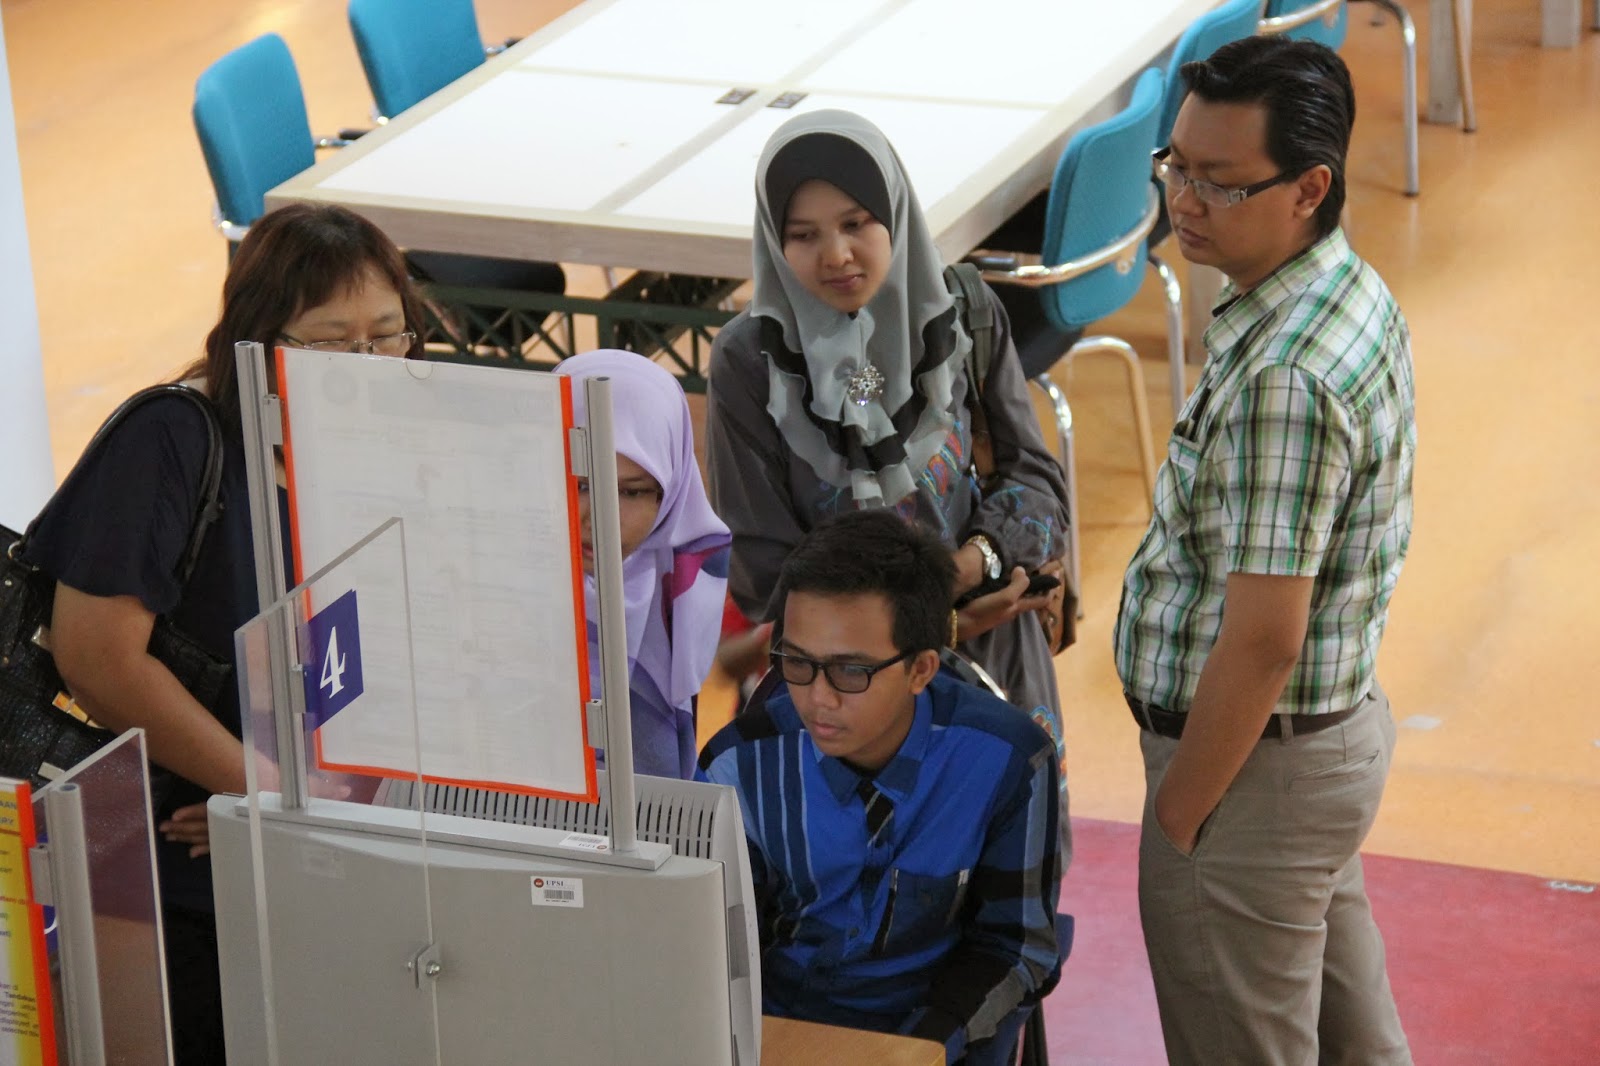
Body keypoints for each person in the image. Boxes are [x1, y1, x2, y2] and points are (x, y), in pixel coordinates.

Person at [22, 202, 425, 1063]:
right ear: (258, 340)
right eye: (332, 344)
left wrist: (311, 802)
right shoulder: (171, 440)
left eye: (388, 336)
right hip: (163, 855)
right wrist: (266, 793)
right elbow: (98, 658)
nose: (368, 366)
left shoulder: (369, 445)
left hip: (294, 841)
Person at [1117, 35, 1415, 1064]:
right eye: (1176, 167)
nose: (1185, 202)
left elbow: (1261, 639)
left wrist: (1182, 814)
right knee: (1354, 1041)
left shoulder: (1286, 376)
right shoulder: (1339, 289)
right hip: (1318, 747)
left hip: (1249, 776)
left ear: (1308, 188)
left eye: (1221, 182)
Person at [704, 108, 1073, 851]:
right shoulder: (750, 362)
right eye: (802, 234)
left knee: (1009, 870)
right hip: (846, 689)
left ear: (895, 215)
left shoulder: (966, 314)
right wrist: (929, 620)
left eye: (856, 223)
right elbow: (764, 570)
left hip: (995, 660)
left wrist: (973, 564)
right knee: (863, 885)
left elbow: (1036, 482)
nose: (835, 254)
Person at [698, 509, 1062, 1065]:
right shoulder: (738, 767)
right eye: (797, 661)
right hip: (772, 1034)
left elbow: (1014, 948)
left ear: (921, 670)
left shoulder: (1007, 762)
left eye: (851, 671)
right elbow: (709, 950)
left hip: (936, 1039)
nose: (818, 698)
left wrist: (918, 1049)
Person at [553, 349, 731, 779]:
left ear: (671, 492)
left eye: (631, 492)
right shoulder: (486, 580)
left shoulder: (683, 586)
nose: (600, 517)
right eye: (580, 485)